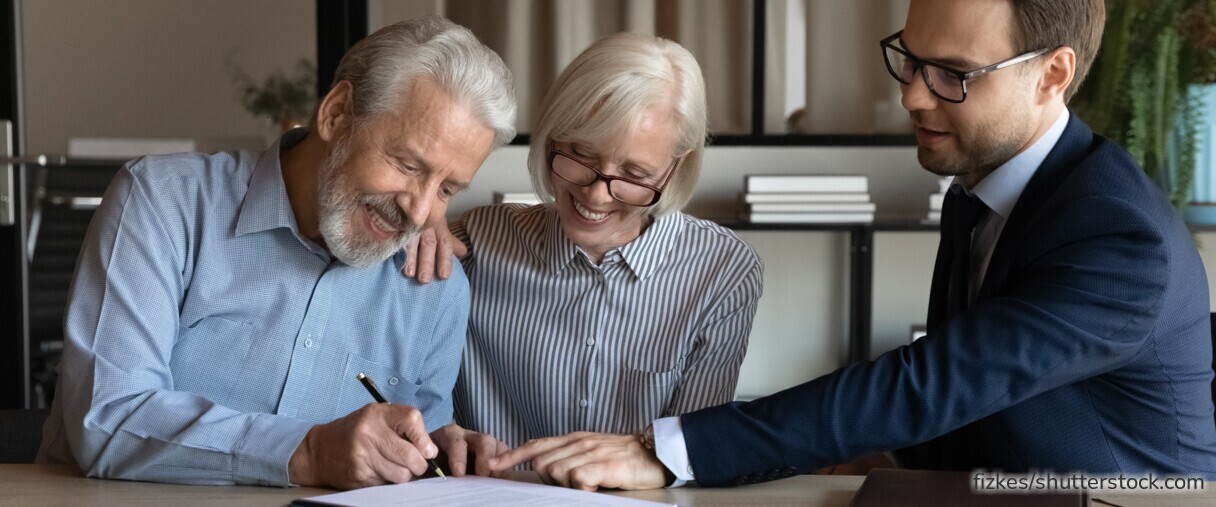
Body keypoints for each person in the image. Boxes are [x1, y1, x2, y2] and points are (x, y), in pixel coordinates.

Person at [490, 0, 1216, 490]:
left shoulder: (1117, 235)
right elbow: (974, 403)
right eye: (910, 58)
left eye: (953, 75)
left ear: (1052, 75)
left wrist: (665, 450)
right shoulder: (992, 188)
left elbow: (935, 381)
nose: (913, 96)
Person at [36, 17, 518, 489]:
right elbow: (107, 418)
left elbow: (415, 460)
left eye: (447, 188)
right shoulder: (164, 203)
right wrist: (308, 451)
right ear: (336, 114)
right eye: (408, 164)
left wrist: (437, 450)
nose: (418, 212)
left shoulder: (436, 289)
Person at [406, 32, 763, 475]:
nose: (595, 195)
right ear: (554, 135)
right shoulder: (478, 242)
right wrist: (422, 214)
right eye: (580, 155)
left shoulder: (722, 272)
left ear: (677, 166)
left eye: (634, 173)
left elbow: (689, 456)